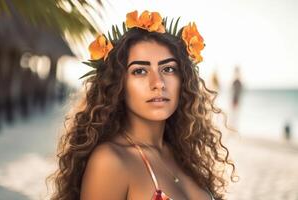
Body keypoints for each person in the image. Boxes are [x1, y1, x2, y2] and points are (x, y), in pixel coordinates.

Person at [48, 10, 236, 200]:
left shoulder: (183, 154)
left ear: (183, 80)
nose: (158, 82)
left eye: (168, 69)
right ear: (118, 84)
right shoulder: (111, 161)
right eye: (140, 71)